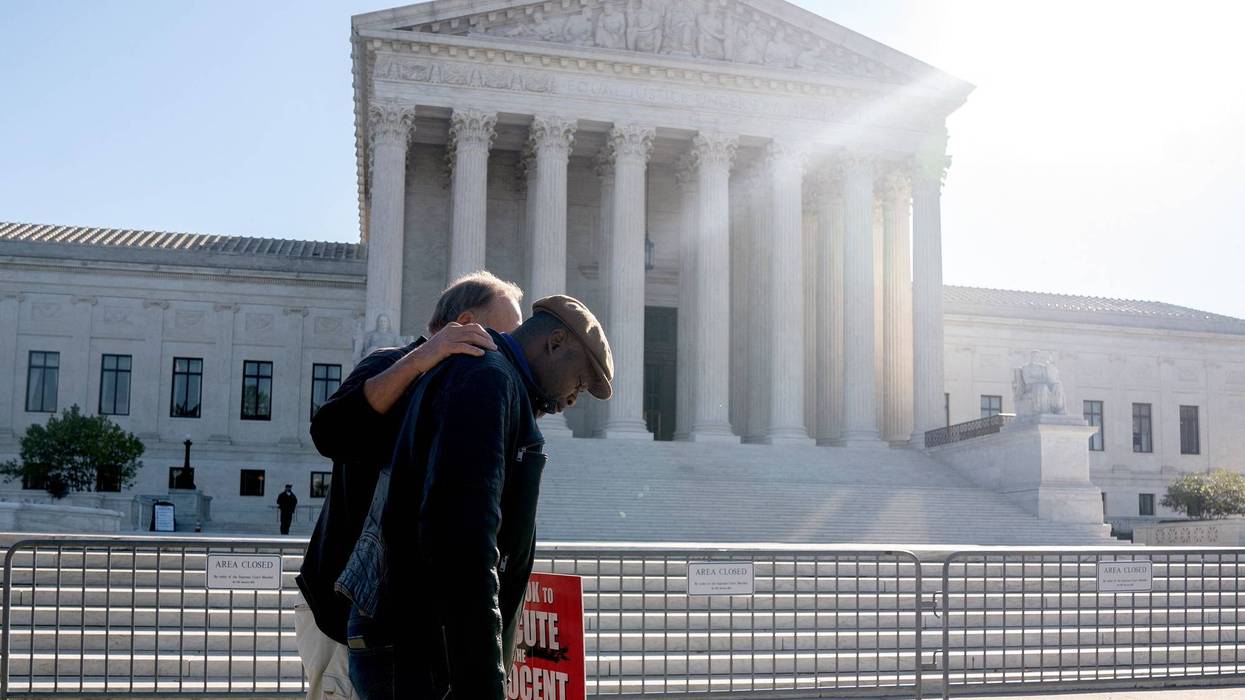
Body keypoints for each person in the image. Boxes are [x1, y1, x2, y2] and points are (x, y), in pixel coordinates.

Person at [336, 295, 613, 700]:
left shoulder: (488, 377)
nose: (575, 397)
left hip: (418, 633)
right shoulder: (488, 380)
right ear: (556, 343)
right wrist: (482, 680)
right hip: (423, 641)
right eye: (581, 380)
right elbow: (462, 538)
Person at [295, 271, 524, 700]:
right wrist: (424, 358)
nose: (508, 352)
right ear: (466, 324)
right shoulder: (391, 361)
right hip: (341, 613)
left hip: (396, 623)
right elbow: (330, 432)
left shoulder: (469, 390)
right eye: (504, 336)